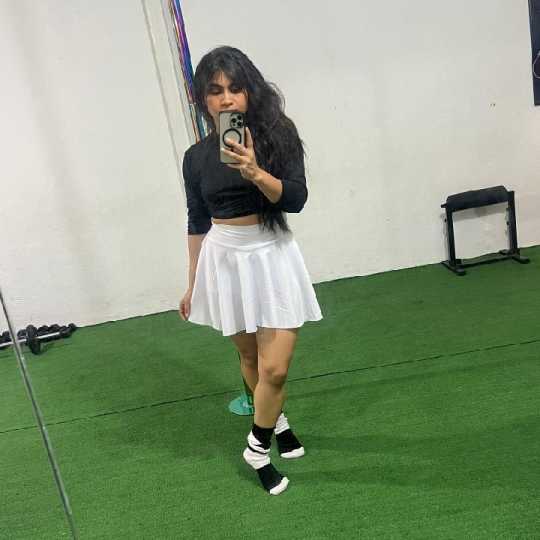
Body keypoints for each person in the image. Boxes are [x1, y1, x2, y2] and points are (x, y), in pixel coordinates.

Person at [178, 46, 322, 495]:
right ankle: (278, 425)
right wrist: (192, 282)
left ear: (250, 91)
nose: (226, 98)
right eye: (215, 90)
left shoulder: (279, 135)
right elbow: (197, 220)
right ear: (203, 99)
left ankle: (256, 448)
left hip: (271, 252)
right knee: (250, 358)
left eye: (235, 87)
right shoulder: (196, 157)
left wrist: (256, 171)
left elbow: (296, 199)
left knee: (275, 368)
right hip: (224, 259)